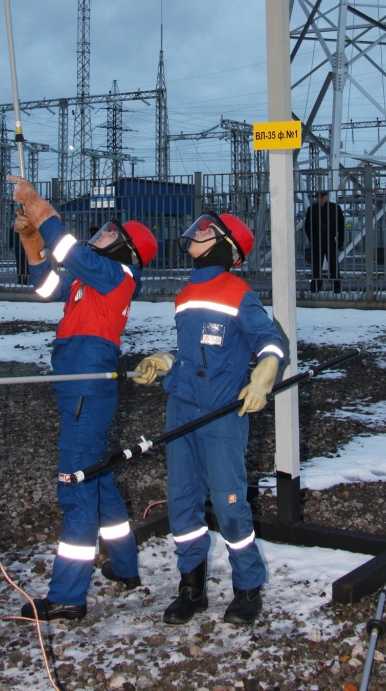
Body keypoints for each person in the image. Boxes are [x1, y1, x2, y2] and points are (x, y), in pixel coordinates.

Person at [8, 175, 158, 623]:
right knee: (97, 473)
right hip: (77, 382)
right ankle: (125, 567)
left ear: (127, 250)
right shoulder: (89, 280)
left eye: (111, 234)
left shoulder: (116, 275)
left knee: (74, 484)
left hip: (86, 383)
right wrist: (33, 241)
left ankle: (68, 596)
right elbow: (45, 287)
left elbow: (69, 249)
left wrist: (38, 206)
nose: (101, 237)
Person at [134, 212, 288, 626]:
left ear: (227, 247)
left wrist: (263, 376)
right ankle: (192, 588)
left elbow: (271, 342)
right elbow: (192, 353)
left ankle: (248, 587)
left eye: (207, 230)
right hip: (182, 407)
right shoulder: (185, 295)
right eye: (199, 228)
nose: (197, 233)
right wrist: (163, 361)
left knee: (229, 502)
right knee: (183, 500)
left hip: (222, 413)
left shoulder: (239, 293)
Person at [304, 191, 345, 293]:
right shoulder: (312, 209)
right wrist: (312, 239)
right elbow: (307, 226)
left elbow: (341, 226)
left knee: (334, 266)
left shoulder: (334, 208)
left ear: (326, 197)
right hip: (317, 241)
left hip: (330, 240)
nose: (320, 199)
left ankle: (336, 288)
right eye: (318, 197)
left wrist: (340, 242)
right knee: (316, 266)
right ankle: (315, 287)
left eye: (322, 197)